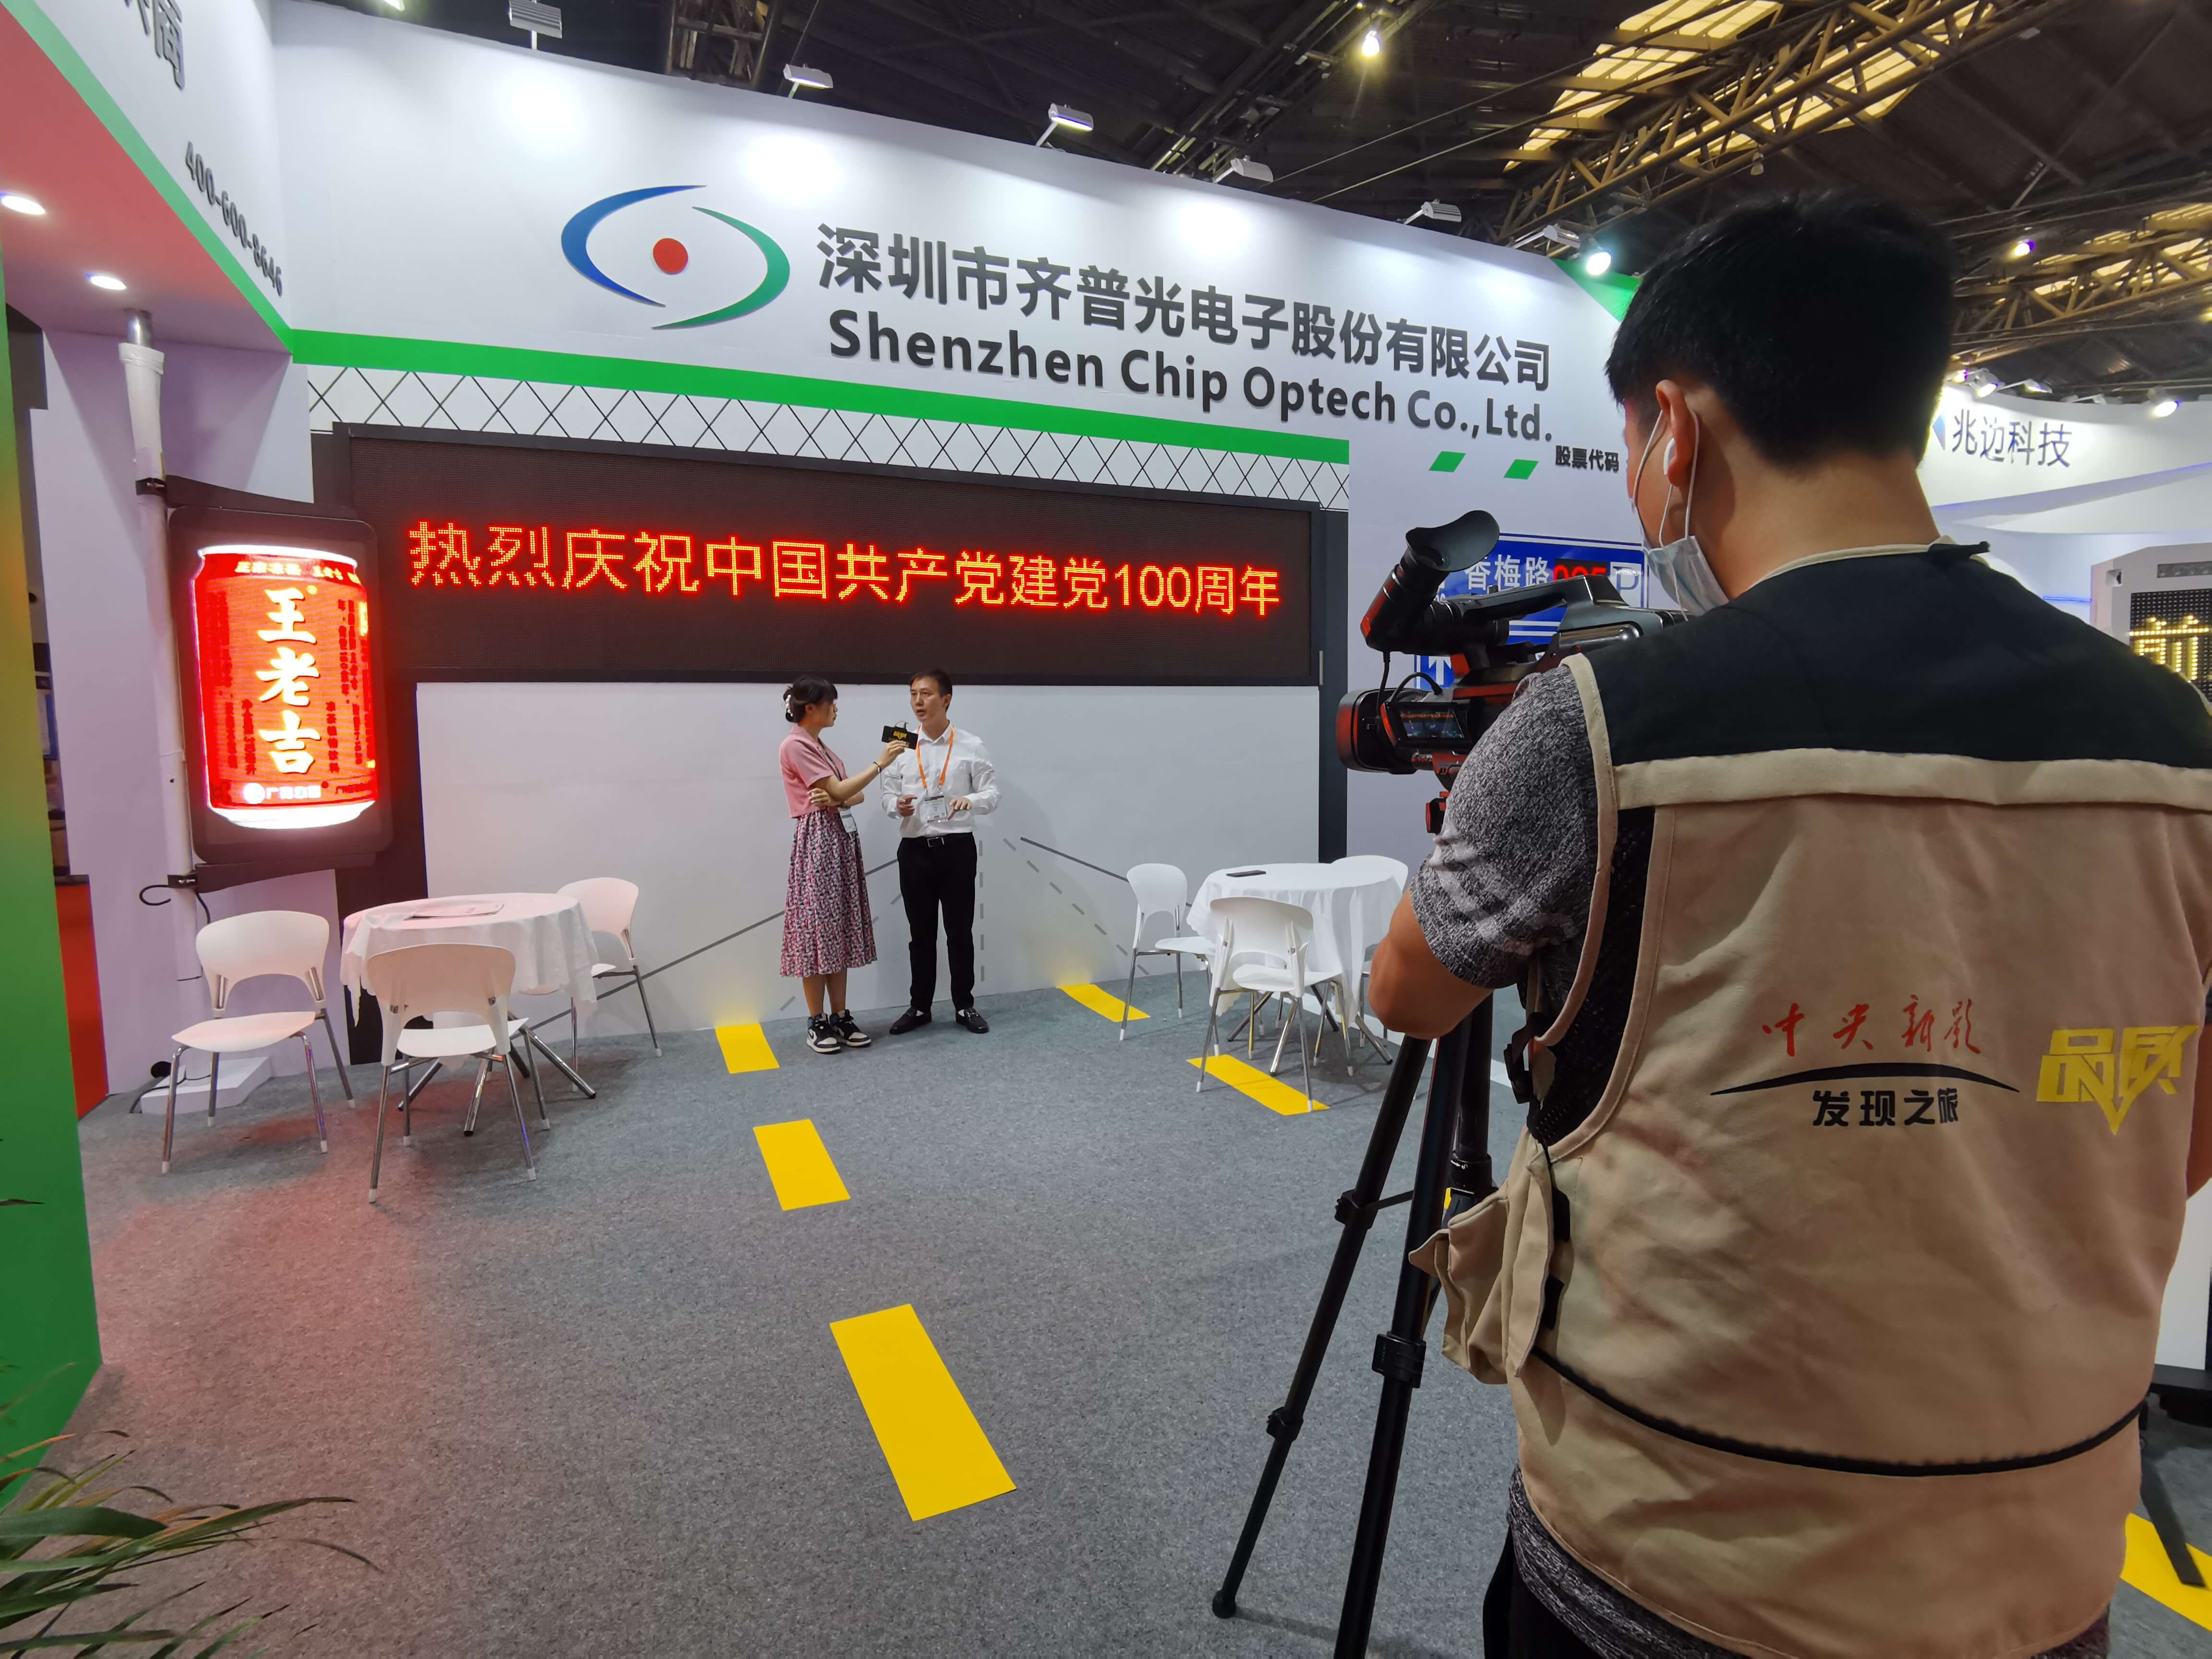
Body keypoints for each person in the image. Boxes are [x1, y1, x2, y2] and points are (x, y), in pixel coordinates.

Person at [1368, 193, 2212, 1659]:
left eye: (1631, 443)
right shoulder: (2178, 737)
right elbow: (2183, 1130)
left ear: (1676, 430)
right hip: (2037, 1554)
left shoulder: (1601, 723)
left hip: (1671, 1557)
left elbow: (1408, 994)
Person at [778, 676, 904, 1055]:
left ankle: (840, 1015)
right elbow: (841, 790)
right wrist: (879, 764)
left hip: (838, 838)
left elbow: (852, 794)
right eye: (831, 703)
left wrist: (839, 796)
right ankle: (816, 1021)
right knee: (817, 929)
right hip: (818, 840)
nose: (836, 709)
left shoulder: (822, 748)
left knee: (837, 928)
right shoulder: (796, 745)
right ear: (811, 708)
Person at [879, 668, 998, 1035]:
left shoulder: (971, 745)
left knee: (960, 932)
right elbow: (887, 794)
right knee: (921, 934)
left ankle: (964, 1005)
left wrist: (971, 801)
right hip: (915, 850)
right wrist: (896, 805)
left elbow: (992, 794)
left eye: (926, 694)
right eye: (913, 694)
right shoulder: (900, 745)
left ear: (946, 699)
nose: (918, 701)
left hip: (957, 849)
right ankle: (920, 1007)